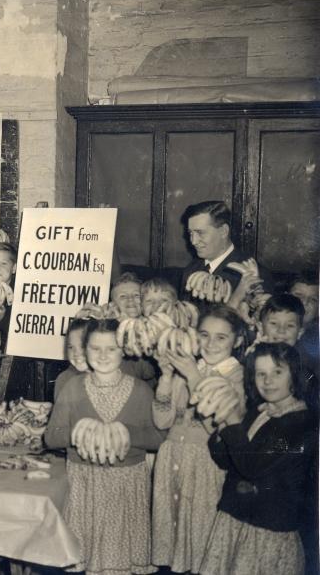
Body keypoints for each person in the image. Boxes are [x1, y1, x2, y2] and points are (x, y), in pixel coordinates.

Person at [44, 318, 164, 575]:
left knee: (119, 562)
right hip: (84, 486)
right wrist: (79, 432)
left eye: (111, 348)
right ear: (85, 350)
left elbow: (158, 438)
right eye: (95, 348)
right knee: (84, 560)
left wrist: (125, 433)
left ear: (123, 350)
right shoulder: (72, 388)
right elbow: (51, 437)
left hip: (126, 487)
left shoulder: (141, 391)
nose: (103, 355)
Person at [201, 343, 316, 575]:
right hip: (235, 518)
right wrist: (222, 427)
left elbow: (253, 466)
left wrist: (233, 423)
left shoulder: (301, 424)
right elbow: (226, 460)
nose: (267, 380)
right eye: (260, 374)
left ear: (294, 373)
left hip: (268, 529)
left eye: (277, 372)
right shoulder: (258, 411)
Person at [151, 305, 247, 573]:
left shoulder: (236, 377)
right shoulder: (189, 367)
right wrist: (168, 377)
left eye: (221, 337)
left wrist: (194, 376)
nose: (210, 344)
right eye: (204, 335)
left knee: (200, 545)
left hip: (205, 467)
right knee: (171, 548)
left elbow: (215, 426)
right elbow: (162, 421)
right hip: (172, 460)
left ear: (237, 341)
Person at [179, 201, 273, 297]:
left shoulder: (253, 274)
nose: (193, 241)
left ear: (224, 231)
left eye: (200, 233)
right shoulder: (191, 269)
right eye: (191, 233)